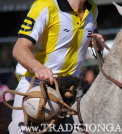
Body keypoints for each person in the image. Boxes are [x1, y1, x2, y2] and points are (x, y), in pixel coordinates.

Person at [9, 0, 104, 133]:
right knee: (21, 131)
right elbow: (19, 49)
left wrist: (94, 41)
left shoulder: (92, 8)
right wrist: (38, 67)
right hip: (36, 84)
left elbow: (80, 35)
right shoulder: (44, 6)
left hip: (71, 88)